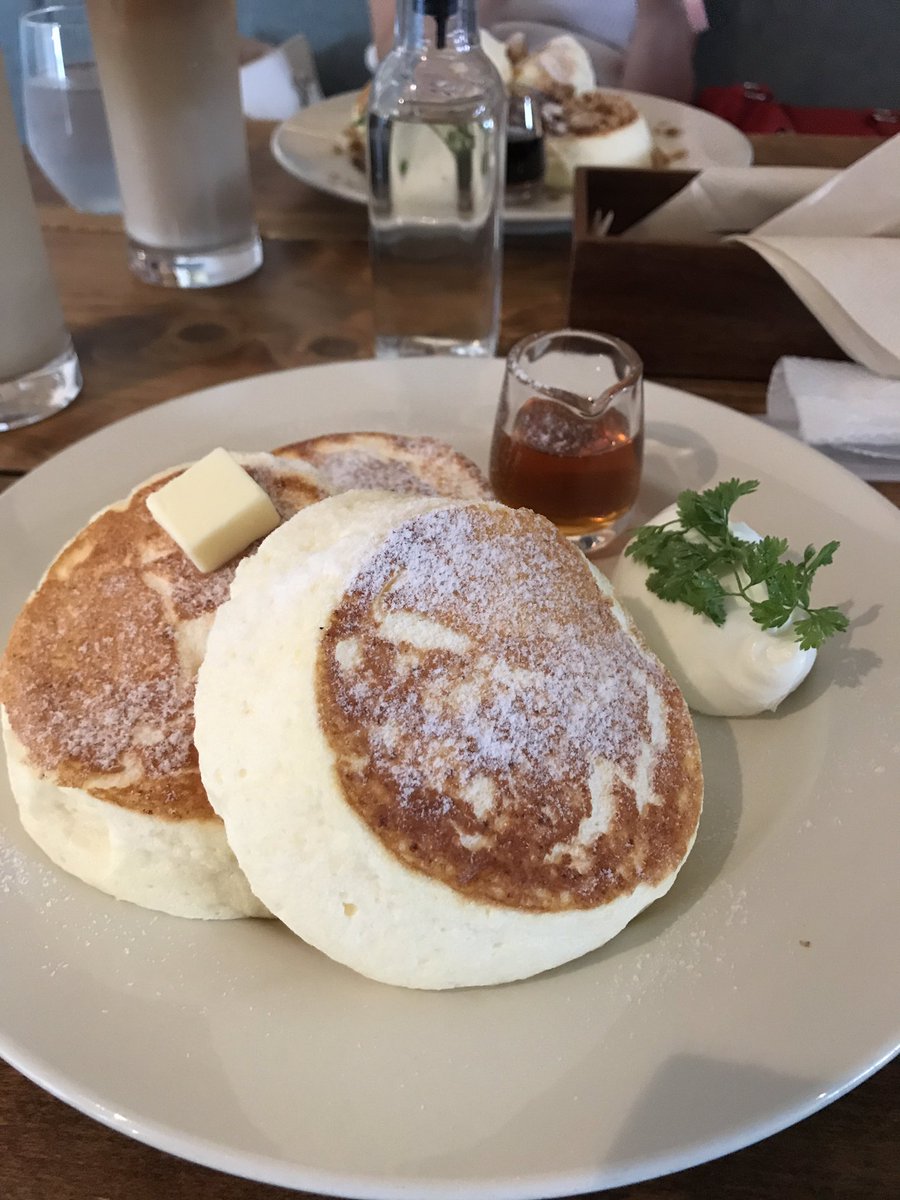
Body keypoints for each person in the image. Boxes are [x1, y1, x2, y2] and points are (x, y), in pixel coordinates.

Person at [367, 0, 706, 102]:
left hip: (606, 117)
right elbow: (399, 63)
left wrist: (660, 9)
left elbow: (665, 107)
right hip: (454, 102)